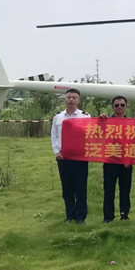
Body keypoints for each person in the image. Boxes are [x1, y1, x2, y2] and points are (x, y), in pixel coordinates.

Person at [51, 88, 91, 224]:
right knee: (67, 188)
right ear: (65, 99)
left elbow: (90, 135)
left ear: (79, 100)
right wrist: (56, 152)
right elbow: (54, 136)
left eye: (74, 98)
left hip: (80, 158)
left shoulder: (85, 117)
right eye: (69, 97)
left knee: (80, 187)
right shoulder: (58, 117)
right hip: (63, 158)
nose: (71, 100)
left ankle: (81, 216)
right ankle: (70, 215)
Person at [100, 96, 133, 223]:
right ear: (112, 107)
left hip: (126, 162)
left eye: (122, 105)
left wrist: (129, 159)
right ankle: (108, 216)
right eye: (117, 105)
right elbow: (96, 135)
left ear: (126, 107)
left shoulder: (131, 123)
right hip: (110, 160)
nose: (119, 108)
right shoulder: (106, 122)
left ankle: (124, 214)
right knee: (109, 190)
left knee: (125, 190)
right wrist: (99, 121)